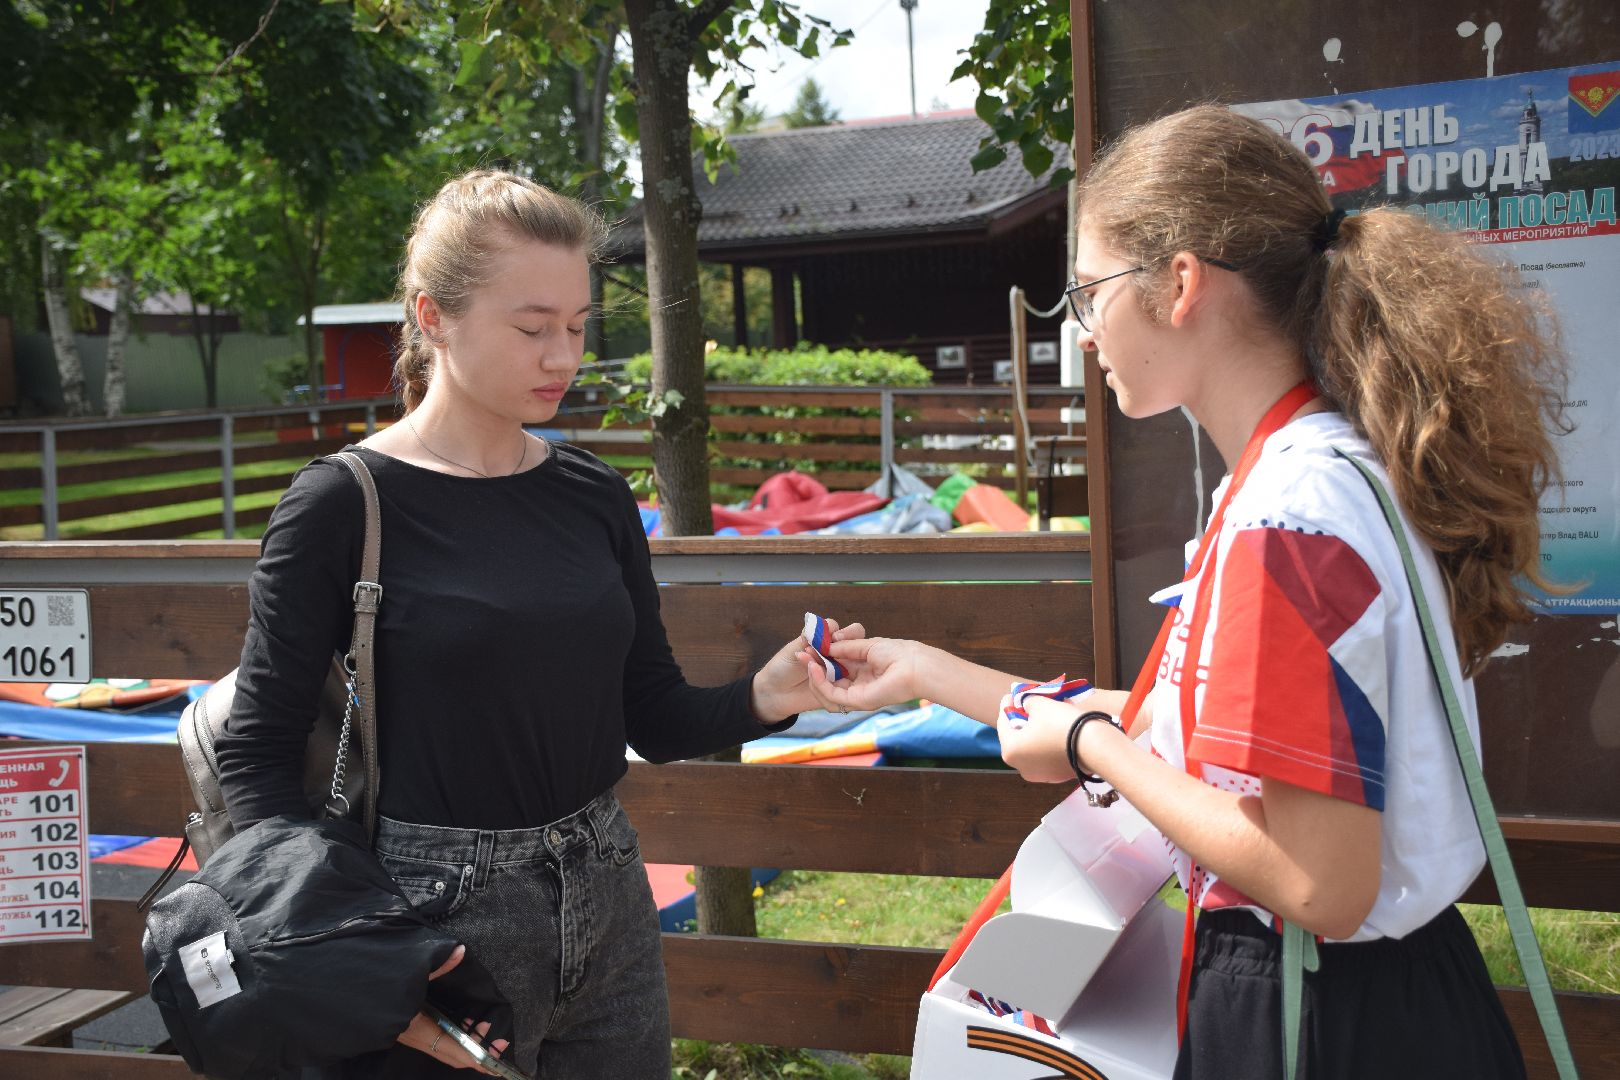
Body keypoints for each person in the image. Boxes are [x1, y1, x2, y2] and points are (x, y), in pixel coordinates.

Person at [803, 105, 1567, 1079]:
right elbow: (1196, 737)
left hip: (1319, 1013)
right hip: (1377, 1001)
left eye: (1087, 293)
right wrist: (927, 672)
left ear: (1178, 283)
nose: (1082, 332)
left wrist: (1092, 746)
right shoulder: (1326, 474)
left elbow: (1318, 882)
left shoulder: (1285, 523)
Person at [215, 169, 837, 1079]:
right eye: (532, 327)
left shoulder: (593, 494)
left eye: (579, 327)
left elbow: (651, 717)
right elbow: (257, 758)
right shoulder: (340, 503)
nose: (564, 356)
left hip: (609, 891)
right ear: (433, 317)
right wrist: (353, 958)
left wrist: (763, 697)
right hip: (428, 917)